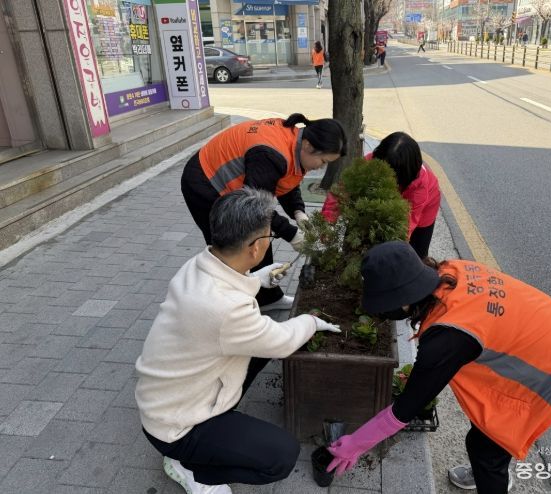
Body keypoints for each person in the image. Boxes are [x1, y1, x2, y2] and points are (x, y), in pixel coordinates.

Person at [326, 241, 551, 493]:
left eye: (384, 305)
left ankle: (492, 477)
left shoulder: (446, 338)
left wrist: (355, 444)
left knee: (486, 450)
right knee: (486, 427)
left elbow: (405, 409)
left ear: (405, 301)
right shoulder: (450, 271)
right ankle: (490, 474)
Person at [135, 187, 341, 494]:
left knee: (259, 350)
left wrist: (257, 278)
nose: (269, 241)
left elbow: (223, 298)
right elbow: (283, 341)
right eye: (270, 236)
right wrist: (311, 321)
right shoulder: (227, 310)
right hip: (177, 427)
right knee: (282, 456)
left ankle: (215, 432)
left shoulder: (197, 264)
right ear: (255, 247)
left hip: (164, 400)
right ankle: (193, 471)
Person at [180, 113, 346, 312]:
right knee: (230, 247)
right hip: (205, 183)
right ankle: (231, 307)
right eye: (323, 160)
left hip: (232, 184)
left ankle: (267, 298)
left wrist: (298, 212)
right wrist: (291, 234)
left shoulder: (293, 143)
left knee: (260, 237)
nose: (322, 167)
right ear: (308, 145)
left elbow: (286, 180)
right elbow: (257, 208)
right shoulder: (270, 153)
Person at [321, 132, 441, 258]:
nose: (386, 176)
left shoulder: (418, 187)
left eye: (393, 175)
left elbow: (403, 228)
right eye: (383, 168)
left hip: (425, 207)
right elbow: (340, 192)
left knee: (414, 255)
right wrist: (327, 223)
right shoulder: (369, 163)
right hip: (375, 202)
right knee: (354, 243)